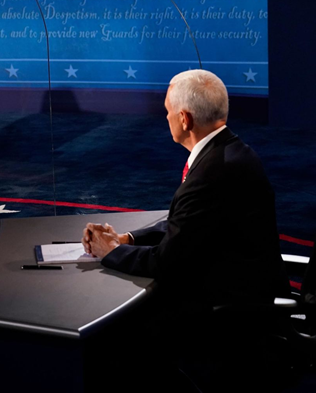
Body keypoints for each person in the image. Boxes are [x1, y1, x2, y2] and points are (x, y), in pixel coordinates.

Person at [82, 69, 289, 391]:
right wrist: (128, 238)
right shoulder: (229, 152)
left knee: (116, 336)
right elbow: (190, 223)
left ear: (184, 119)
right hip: (241, 285)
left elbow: (167, 263)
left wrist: (110, 251)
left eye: (167, 112)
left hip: (227, 308)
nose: (165, 118)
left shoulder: (213, 171)